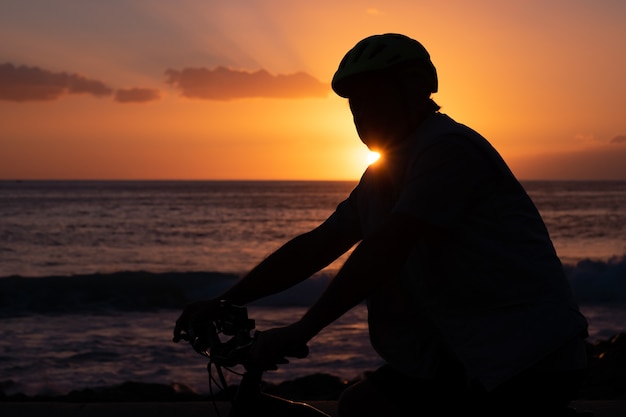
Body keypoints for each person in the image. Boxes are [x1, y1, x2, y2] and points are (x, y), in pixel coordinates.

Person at [174, 33, 589, 416]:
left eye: (373, 102)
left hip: (522, 356)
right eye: (355, 107)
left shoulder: (447, 149)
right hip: (458, 356)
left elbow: (389, 247)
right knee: (360, 406)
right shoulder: (384, 173)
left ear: (413, 92)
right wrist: (228, 300)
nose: (362, 117)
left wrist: (304, 328)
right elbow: (317, 246)